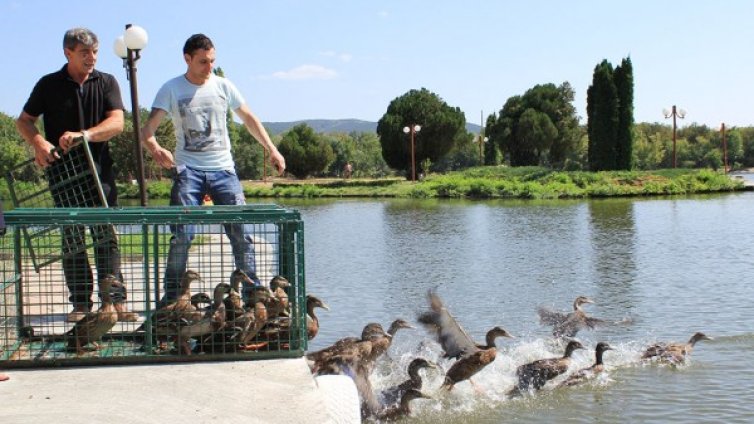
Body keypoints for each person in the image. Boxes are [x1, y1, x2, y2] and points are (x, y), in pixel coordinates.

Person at [141, 33, 285, 302]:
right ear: (187, 59)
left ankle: (252, 293)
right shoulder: (171, 88)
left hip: (224, 171)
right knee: (183, 235)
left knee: (242, 233)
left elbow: (249, 119)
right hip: (188, 171)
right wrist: (156, 148)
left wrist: (272, 149)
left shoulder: (224, 86)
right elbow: (147, 130)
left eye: (212, 61)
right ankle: (172, 299)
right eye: (203, 62)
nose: (209, 67)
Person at [15, 28, 137, 323]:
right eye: (85, 53)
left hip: (100, 172)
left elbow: (118, 122)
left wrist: (85, 135)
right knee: (72, 238)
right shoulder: (48, 84)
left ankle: (115, 303)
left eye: (95, 52)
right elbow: (25, 121)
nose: (92, 58)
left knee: (106, 237)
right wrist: (40, 143)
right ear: (67, 53)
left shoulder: (106, 81)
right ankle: (81, 303)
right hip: (63, 174)